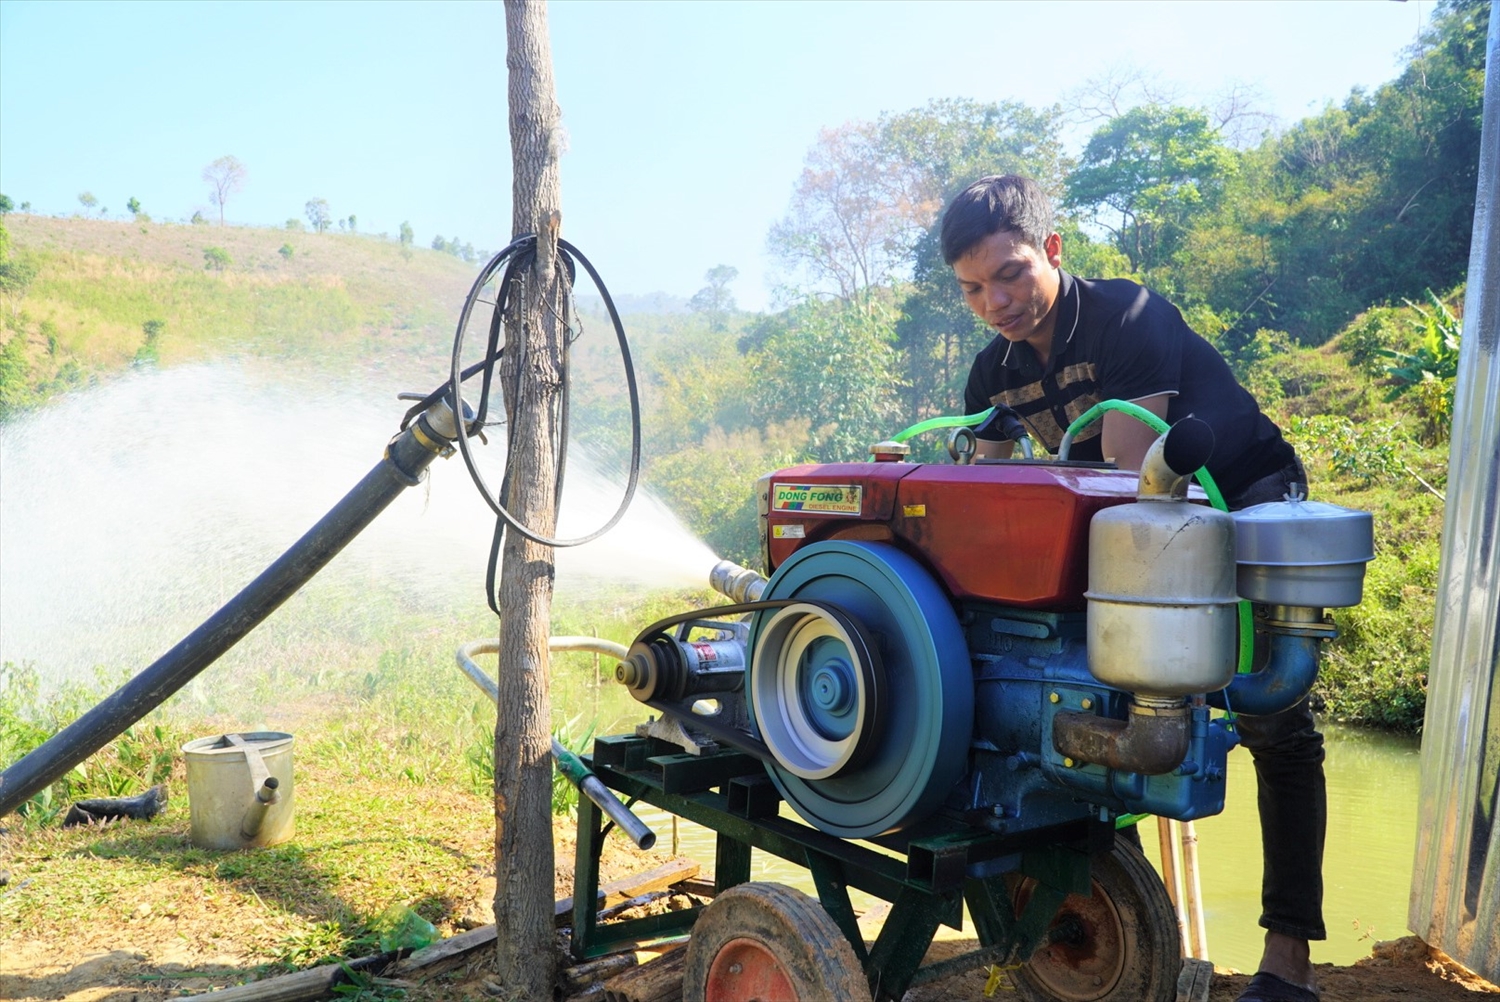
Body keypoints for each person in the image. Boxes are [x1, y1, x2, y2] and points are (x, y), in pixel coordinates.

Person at [941, 174, 1325, 1002]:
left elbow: (1125, 473)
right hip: (1136, 538)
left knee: (1274, 715)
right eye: (973, 288)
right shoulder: (990, 377)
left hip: (1243, 500)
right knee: (1090, 705)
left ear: (1051, 249)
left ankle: (1288, 959)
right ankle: (1128, 930)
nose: (995, 301)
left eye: (1009, 273)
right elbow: (985, 508)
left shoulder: (1129, 316)